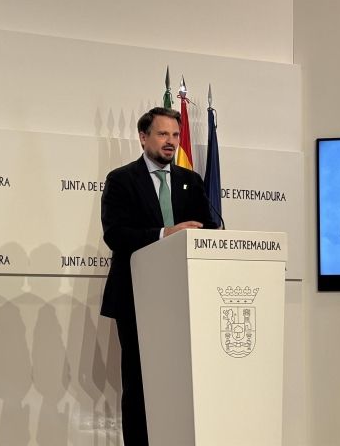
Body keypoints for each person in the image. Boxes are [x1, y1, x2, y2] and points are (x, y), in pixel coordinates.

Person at [100, 107, 217, 445]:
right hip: (137, 299)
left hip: (184, 299)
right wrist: (166, 234)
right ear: (143, 137)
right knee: (139, 385)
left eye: (175, 135)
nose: (171, 142)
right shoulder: (121, 179)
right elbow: (115, 234)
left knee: (182, 382)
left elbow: (209, 228)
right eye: (163, 134)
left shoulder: (190, 181)